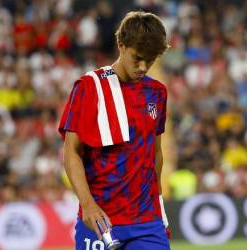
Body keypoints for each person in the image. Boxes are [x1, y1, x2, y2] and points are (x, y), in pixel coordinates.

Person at [58, 11, 170, 250]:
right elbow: (71, 152)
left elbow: (156, 153)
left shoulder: (158, 93)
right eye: (137, 58)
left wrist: (159, 204)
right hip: (101, 222)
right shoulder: (89, 87)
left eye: (150, 61)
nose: (143, 67)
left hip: (147, 223)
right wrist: (87, 204)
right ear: (121, 44)